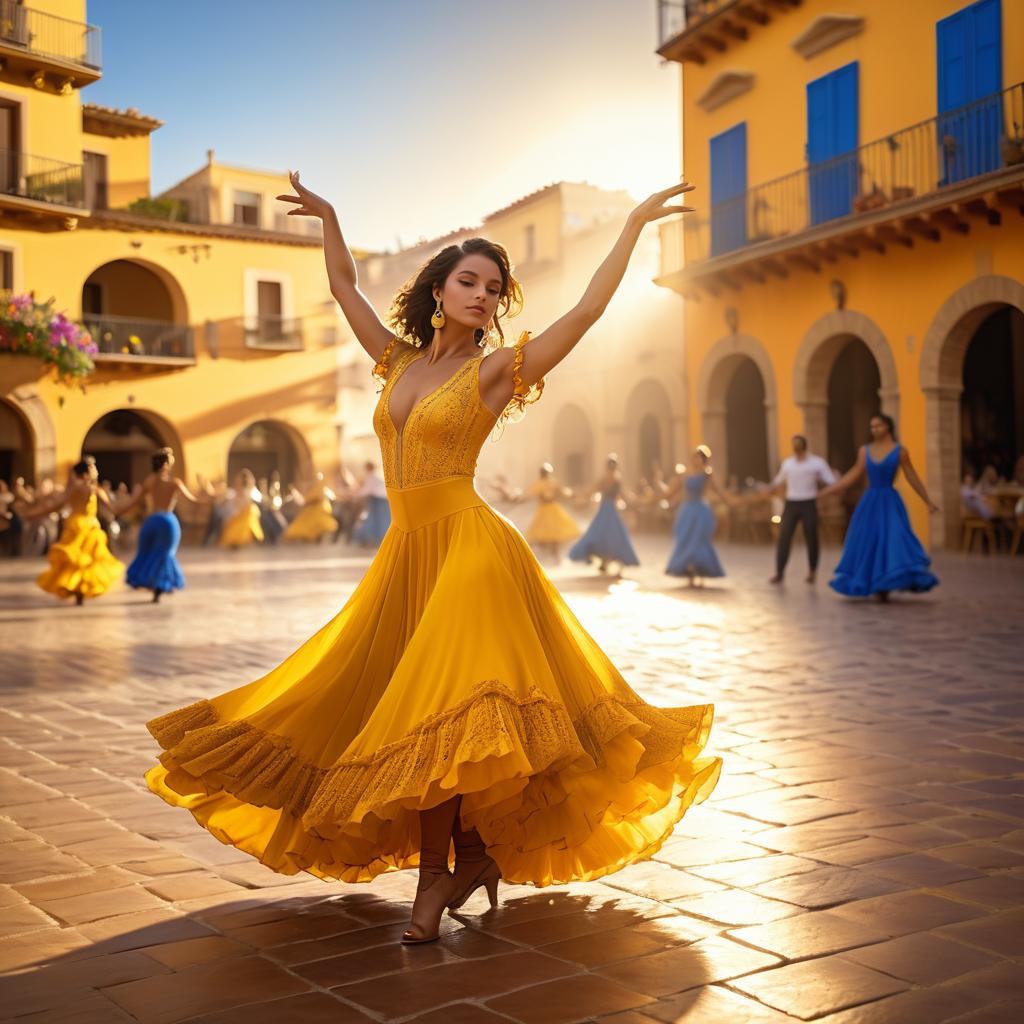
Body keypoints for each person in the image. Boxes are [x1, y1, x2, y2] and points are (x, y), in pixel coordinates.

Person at [142, 169, 719, 947]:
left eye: (495, 287)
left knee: (442, 716)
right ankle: (474, 855)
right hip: (407, 555)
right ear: (439, 290)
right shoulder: (397, 364)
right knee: (397, 710)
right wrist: (331, 217)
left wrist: (635, 227)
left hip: (471, 554)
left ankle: (432, 876)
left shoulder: (495, 370)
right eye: (469, 281)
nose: (483, 295)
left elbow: (584, 311)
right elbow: (345, 287)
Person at [819, 413, 939, 601]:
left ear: (888, 427)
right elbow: (853, 475)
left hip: (890, 501)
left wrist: (928, 501)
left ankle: (886, 583)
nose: (875, 430)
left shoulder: (900, 451)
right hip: (870, 502)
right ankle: (876, 584)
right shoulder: (865, 451)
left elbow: (911, 476)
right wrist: (827, 491)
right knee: (869, 541)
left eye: (878, 426)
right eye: (872, 427)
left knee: (893, 538)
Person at [118, 447, 208, 602]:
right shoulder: (175, 483)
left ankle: (154, 585)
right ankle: (160, 586)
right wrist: (207, 491)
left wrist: (116, 509)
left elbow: (132, 503)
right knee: (165, 555)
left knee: (149, 554)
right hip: (167, 522)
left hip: (151, 521)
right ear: (167, 464)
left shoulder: (149, 481)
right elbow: (195, 500)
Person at [31, 456, 125, 604]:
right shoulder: (93, 489)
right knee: (85, 562)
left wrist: (34, 514)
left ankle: (76, 590)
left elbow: (56, 505)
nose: (97, 471)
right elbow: (114, 508)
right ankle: (80, 592)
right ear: (88, 471)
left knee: (75, 561)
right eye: (94, 468)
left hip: (74, 525)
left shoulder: (74, 488)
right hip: (88, 527)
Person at [766, 435, 838, 585]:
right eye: (794, 444)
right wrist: (767, 489)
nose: (795, 446)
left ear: (804, 445)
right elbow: (779, 480)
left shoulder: (817, 463)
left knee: (811, 537)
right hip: (791, 503)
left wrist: (830, 487)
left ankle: (812, 571)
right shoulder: (788, 463)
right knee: (784, 537)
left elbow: (830, 480)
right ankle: (779, 572)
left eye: (798, 444)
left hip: (808, 502)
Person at [664, 446, 735, 586]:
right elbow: (673, 490)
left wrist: (730, 500)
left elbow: (718, 490)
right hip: (687, 510)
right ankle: (689, 573)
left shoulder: (707, 473)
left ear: (703, 459)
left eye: (698, 457)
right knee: (686, 540)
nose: (695, 459)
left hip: (701, 511)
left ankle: (701, 571)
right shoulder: (686, 473)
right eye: (694, 456)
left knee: (700, 541)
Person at [568, 454, 639, 575]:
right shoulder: (617, 480)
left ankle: (604, 562)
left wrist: (578, 497)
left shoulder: (604, 479)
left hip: (604, 510)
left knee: (598, 535)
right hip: (611, 510)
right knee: (615, 537)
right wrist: (637, 501)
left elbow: (590, 491)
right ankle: (607, 562)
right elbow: (625, 496)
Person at [520, 463, 580, 562]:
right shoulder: (551, 482)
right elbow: (563, 492)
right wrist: (572, 495)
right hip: (552, 509)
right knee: (552, 535)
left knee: (542, 535)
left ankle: (550, 557)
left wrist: (520, 497)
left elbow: (528, 493)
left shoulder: (542, 483)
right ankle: (555, 557)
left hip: (546, 510)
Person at [284, 472, 338, 543]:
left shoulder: (318, 490)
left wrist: (294, 493)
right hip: (317, 514)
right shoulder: (319, 489)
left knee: (297, 530)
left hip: (316, 515)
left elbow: (303, 502)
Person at [218, 469, 265, 549]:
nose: (238, 484)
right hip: (232, 524)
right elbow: (224, 513)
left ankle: (249, 538)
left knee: (252, 509)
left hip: (245, 526)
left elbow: (259, 510)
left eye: (241, 482)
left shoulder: (251, 495)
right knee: (251, 510)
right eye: (237, 482)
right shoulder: (230, 494)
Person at [351, 461, 391, 547]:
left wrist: (355, 495)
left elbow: (367, 490)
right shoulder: (377, 475)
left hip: (378, 500)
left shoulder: (370, 477)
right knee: (382, 519)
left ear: (367, 468)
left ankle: (372, 538)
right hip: (383, 500)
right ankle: (380, 539)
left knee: (375, 519)